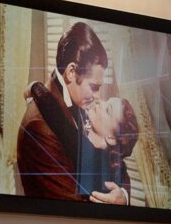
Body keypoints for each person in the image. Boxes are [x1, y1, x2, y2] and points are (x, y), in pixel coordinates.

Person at [13, 20, 129, 205]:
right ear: (71, 72)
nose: (98, 97)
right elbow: (71, 208)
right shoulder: (39, 127)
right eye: (93, 87)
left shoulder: (82, 107)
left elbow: (119, 166)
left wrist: (123, 195)